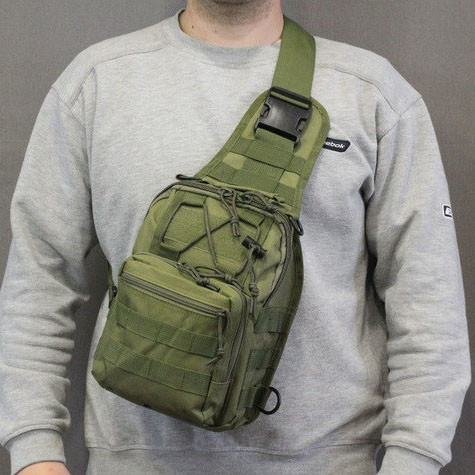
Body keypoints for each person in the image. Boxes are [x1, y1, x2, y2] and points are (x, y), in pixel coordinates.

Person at [0, 1, 471, 474]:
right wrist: (33, 451)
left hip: (328, 462)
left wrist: (413, 460)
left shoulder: (371, 93)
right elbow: (38, 282)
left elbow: (428, 300)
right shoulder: (98, 82)